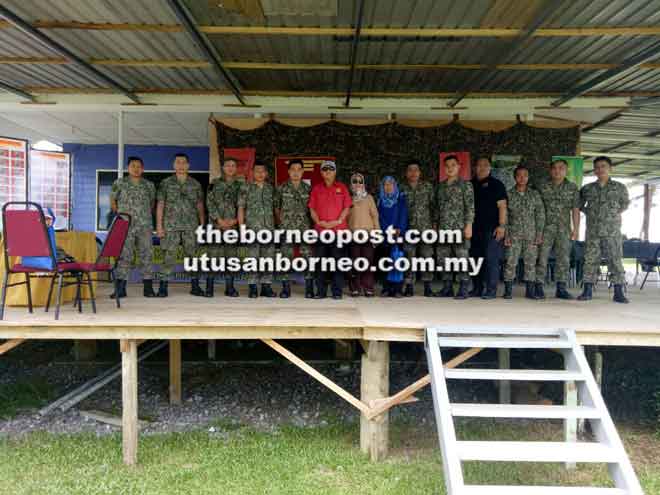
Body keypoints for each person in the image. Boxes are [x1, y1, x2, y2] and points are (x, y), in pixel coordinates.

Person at [578, 156, 630, 303]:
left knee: (615, 260)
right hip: (593, 231)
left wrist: (610, 214)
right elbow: (579, 205)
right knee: (590, 261)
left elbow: (624, 204)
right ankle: (587, 291)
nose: (600, 169)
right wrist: (590, 213)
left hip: (612, 232)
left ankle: (618, 292)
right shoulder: (587, 189)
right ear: (594, 170)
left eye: (603, 166)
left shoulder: (619, 187)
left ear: (610, 168)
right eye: (597, 167)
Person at [156, 153, 205, 297]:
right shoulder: (166, 183)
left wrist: (202, 225)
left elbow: (200, 205)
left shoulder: (195, 184)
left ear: (188, 165)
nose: (181, 165)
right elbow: (160, 204)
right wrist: (159, 226)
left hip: (191, 227)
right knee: (168, 258)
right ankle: (163, 288)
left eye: (184, 162)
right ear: (174, 165)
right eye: (178, 162)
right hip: (170, 227)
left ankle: (195, 286)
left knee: (193, 257)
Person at [109, 156, 156, 298]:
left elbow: (152, 203)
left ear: (142, 168)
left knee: (146, 255)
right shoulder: (119, 183)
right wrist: (120, 214)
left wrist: (142, 215)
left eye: (138, 166)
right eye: (132, 166)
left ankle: (148, 288)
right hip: (126, 225)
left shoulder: (149, 185)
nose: (136, 169)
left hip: (144, 225)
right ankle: (120, 289)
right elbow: (113, 200)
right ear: (128, 168)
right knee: (124, 256)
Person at [535, 159, 580, 299]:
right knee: (541, 257)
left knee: (563, 259)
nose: (557, 171)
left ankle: (561, 288)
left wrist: (576, 229)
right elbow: (535, 208)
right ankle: (538, 287)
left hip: (563, 229)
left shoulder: (572, 188)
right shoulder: (542, 186)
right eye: (554, 168)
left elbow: (575, 209)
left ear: (566, 171)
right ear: (550, 170)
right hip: (544, 228)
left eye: (561, 168)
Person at [308, 160, 352, 299]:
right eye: (325, 169)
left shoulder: (342, 188)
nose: (328, 171)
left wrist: (338, 221)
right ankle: (320, 292)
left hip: (338, 231)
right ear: (321, 172)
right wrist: (319, 222)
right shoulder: (316, 189)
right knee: (321, 262)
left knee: (338, 263)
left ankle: (337, 292)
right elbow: (312, 209)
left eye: (331, 169)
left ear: (335, 172)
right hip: (321, 231)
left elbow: (346, 208)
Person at [435, 155, 475, 300]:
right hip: (444, 229)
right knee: (444, 259)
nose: (450, 168)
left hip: (460, 228)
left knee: (461, 258)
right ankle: (447, 288)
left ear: (459, 167)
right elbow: (437, 209)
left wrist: (469, 225)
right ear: (444, 168)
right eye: (447, 166)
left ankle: (464, 288)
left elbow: (470, 207)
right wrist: (435, 226)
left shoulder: (466, 185)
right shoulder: (440, 186)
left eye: (453, 165)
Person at [502, 166, 545, 300]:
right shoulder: (508, 194)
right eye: (519, 175)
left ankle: (530, 291)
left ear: (528, 177)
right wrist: (507, 234)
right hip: (513, 234)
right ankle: (508, 291)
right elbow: (505, 216)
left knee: (530, 263)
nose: (522, 178)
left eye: (525, 175)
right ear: (515, 177)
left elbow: (540, 214)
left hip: (531, 234)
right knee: (510, 262)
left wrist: (539, 233)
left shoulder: (534, 194)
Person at [274, 159, 314, 299]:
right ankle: (286, 289)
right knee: (286, 259)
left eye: (299, 169)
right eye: (293, 169)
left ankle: (309, 289)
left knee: (307, 259)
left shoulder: (309, 189)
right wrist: (282, 223)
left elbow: (312, 210)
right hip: (287, 229)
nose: (296, 172)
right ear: (289, 171)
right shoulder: (281, 188)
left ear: (303, 171)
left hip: (304, 229)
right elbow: (277, 208)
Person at [470, 156, 508, 299]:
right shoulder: (470, 184)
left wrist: (502, 226)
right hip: (473, 229)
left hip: (492, 229)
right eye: (479, 165)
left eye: (485, 165)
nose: (482, 167)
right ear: (475, 167)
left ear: (490, 167)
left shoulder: (497, 184)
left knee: (491, 259)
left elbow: (502, 206)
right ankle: (477, 288)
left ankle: (491, 290)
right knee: (475, 259)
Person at [205, 157, 243, 297]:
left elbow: (243, 206)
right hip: (216, 226)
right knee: (213, 257)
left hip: (233, 227)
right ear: (223, 167)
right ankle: (209, 288)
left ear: (236, 168)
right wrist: (219, 220)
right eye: (228, 165)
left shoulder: (241, 186)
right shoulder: (214, 184)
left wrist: (234, 221)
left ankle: (230, 288)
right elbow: (209, 203)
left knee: (231, 258)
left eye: (233, 165)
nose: (230, 168)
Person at [238, 162, 276, 298]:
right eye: (257, 171)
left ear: (266, 174)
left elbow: (275, 209)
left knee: (268, 259)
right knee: (252, 259)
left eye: (262, 171)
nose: (260, 174)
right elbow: (241, 208)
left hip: (269, 229)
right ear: (252, 173)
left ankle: (266, 286)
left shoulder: (271, 189)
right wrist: (242, 228)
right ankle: (252, 287)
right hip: (252, 229)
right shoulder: (246, 188)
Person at [400, 161, 435, 297]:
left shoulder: (427, 187)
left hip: (426, 228)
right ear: (406, 173)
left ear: (420, 172)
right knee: (409, 258)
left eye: (416, 170)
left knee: (427, 257)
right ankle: (409, 286)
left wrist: (435, 224)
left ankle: (427, 286)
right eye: (410, 170)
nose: (413, 172)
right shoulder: (401, 188)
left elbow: (434, 206)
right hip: (408, 229)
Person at [347, 172, 380, 297]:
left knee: (367, 262)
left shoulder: (369, 198)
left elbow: (375, 217)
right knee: (354, 262)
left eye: (360, 181)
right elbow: (345, 218)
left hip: (368, 235)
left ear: (364, 183)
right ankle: (355, 288)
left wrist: (377, 234)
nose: (358, 184)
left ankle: (368, 287)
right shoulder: (348, 199)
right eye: (354, 181)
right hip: (353, 235)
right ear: (351, 184)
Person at [377, 176, 408, 298]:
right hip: (386, 235)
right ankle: (386, 289)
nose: (388, 187)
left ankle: (398, 289)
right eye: (385, 184)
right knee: (385, 262)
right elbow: (378, 217)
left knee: (398, 261)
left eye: (390, 184)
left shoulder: (400, 199)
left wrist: (399, 228)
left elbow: (403, 215)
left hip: (398, 235)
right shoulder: (380, 201)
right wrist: (387, 230)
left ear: (395, 186)